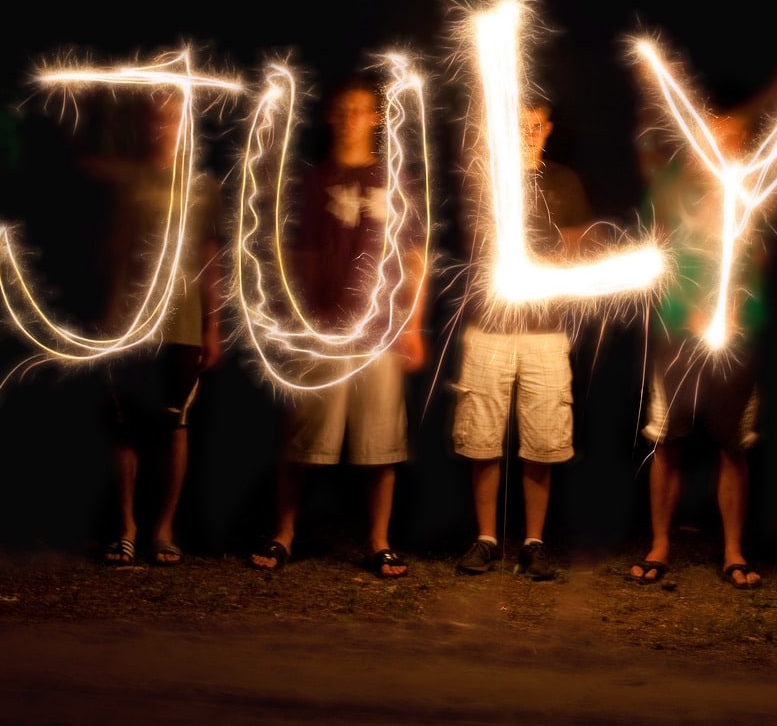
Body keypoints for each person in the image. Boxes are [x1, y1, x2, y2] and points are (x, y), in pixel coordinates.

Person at [249, 72, 428, 578]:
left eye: (362, 110)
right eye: (343, 109)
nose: (352, 118)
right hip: (321, 330)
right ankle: (283, 534)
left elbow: (416, 258)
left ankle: (379, 541)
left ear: (376, 119)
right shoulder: (311, 181)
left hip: (379, 331)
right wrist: (289, 318)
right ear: (331, 116)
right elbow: (290, 254)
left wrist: (412, 326)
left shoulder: (396, 183)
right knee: (303, 441)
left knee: (380, 443)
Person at [630, 102, 771, 590]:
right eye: (713, 137)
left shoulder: (752, 193)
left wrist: (735, 305)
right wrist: (687, 306)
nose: (722, 146)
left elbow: (760, 258)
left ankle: (733, 550)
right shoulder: (670, 189)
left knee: (733, 443)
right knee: (668, 439)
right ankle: (660, 544)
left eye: (732, 139)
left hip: (737, 334)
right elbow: (656, 252)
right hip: (676, 330)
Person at [449, 101, 593, 581]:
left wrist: (552, 271)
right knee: (483, 438)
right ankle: (487, 539)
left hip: (545, 331)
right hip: (489, 327)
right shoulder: (485, 180)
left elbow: (575, 251)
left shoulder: (565, 182)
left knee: (543, 441)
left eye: (535, 126)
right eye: (517, 126)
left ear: (548, 129)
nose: (527, 134)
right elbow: (474, 242)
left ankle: (534, 543)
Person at [95, 90, 224, 567]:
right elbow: (120, 251)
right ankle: (126, 528)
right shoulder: (132, 180)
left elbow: (212, 259)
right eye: (156, 117)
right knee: (125, 425)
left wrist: (215, 327)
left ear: (186, 124)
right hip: (133, 324)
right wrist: (111, 319)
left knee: (175, 426)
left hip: (182, 324)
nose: (163, 125)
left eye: (172, 117)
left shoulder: (203, 186)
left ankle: (163, 530)